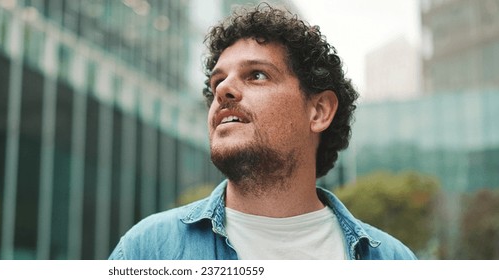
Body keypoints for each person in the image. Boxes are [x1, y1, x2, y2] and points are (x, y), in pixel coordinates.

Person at [109, 4, 416, 260]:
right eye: (217, 82)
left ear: (319, 110)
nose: (223, 90)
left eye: (256, 75)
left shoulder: (392, 260)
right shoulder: (148, 251)